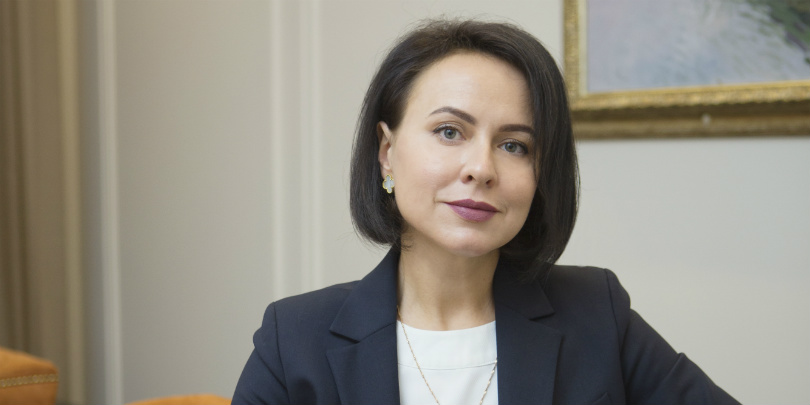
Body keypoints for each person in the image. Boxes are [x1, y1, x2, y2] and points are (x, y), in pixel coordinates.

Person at [233, 19, 738, 405]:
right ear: (387, 152)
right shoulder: (293, 338)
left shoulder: (597, 313)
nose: (481, 168)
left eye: (514, 145)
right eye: (449, 131)